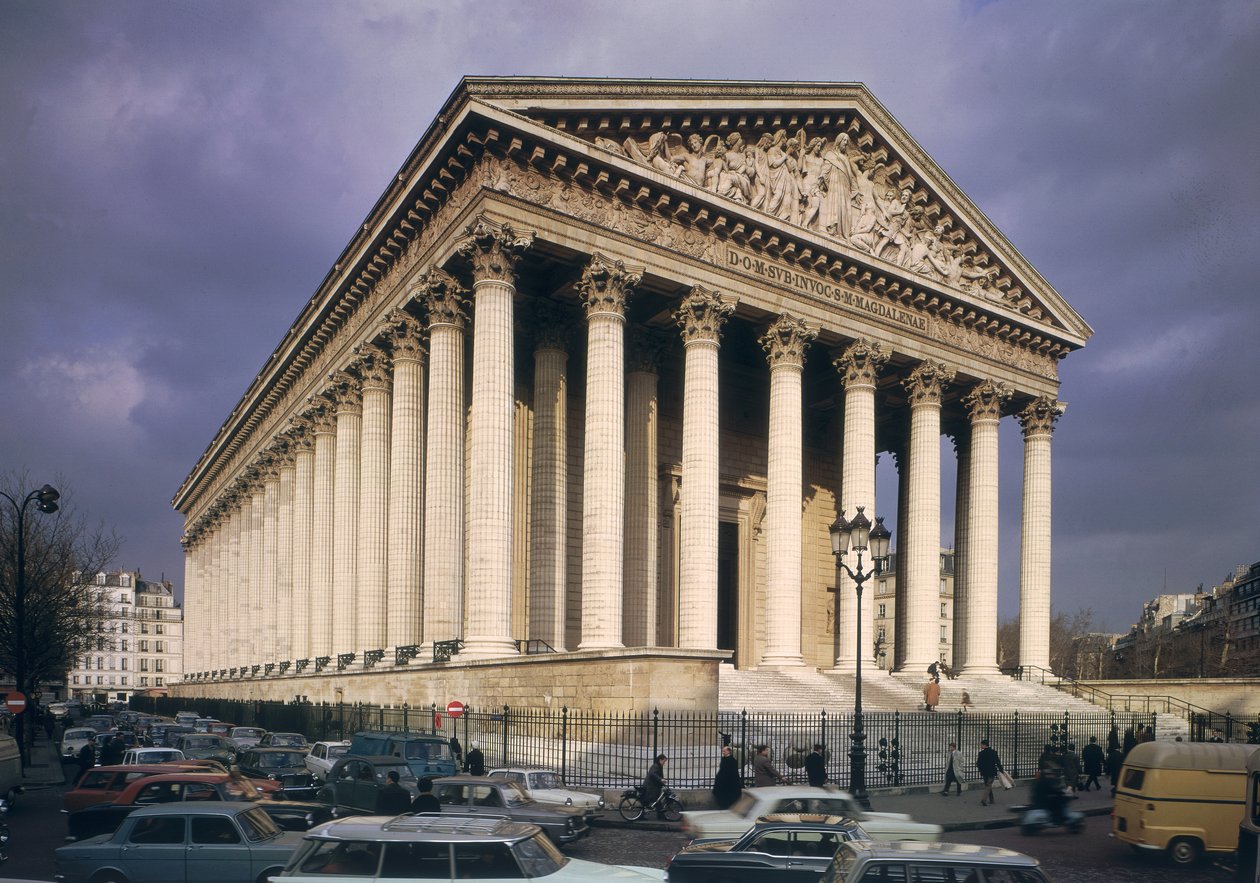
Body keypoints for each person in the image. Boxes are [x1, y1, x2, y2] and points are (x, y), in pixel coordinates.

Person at [976, 738, 1003, 806]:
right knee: (989, 785)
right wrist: (1001, 769)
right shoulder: (994, 752)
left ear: (985, 745)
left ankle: (984, 800)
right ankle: (992, 800)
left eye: (981, 745)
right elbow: (998, 762)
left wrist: (980, 769)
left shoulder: (981, 753)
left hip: (984, 772)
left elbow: (978, 763)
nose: (981, 746)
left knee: (987, 785)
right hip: (992, 772)